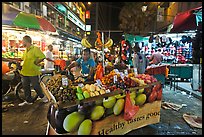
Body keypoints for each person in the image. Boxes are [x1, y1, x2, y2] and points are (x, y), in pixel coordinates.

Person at [18, 35, 48, 106]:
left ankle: (43, 97)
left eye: (23, 41)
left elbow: (43, 56)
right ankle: (28, 101)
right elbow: (23, 59)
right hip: (25, 71)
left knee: (36, 86)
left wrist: (36, 62)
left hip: (33, 72)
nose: (22, 42)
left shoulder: (35, 49)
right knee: (26, 86)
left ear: (26, 41)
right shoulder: (26, 50)